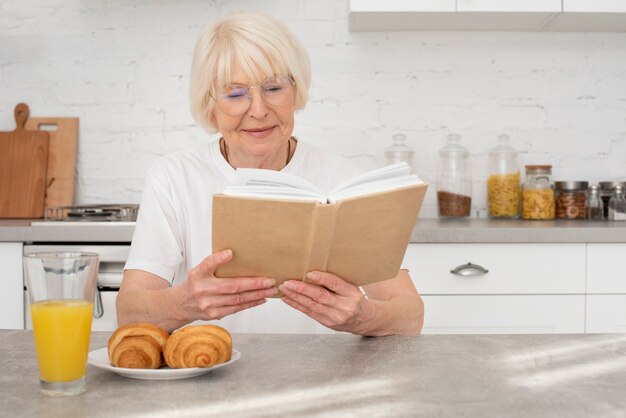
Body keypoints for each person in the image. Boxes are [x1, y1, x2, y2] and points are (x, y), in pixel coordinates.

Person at [117, 12, 424, 336]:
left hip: (328, 379)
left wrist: (365, 317)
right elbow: (128, 313)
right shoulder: (173, 178)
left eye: (273, 88)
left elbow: (411, 316)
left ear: (296, 90)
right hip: (208, 378)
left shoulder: (347, 180)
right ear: (210, 105)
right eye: (235, 94)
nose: (259, 110)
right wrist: (186, 302)